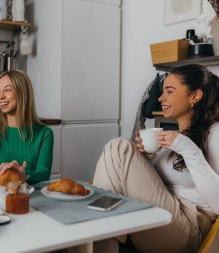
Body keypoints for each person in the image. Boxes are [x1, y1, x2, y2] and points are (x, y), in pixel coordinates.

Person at [93, 64, 219, 253]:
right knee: (118, 149)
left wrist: (188, 149)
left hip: (188, 228)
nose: (160, 98)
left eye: (169, 91)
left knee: (120, 147)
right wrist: (148, 158)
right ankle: (98, 237)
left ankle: (98, 238)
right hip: (162, 217)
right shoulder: (173, 137)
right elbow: (159, 187)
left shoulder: (215, 133)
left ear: (195, 96)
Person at [0, 70, 54, 185]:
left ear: (23, 93)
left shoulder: (45, 133)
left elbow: (43, 174)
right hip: (0, 198)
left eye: (7, 90)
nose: (1, 96)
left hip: (33, 198)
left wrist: (22, 174)